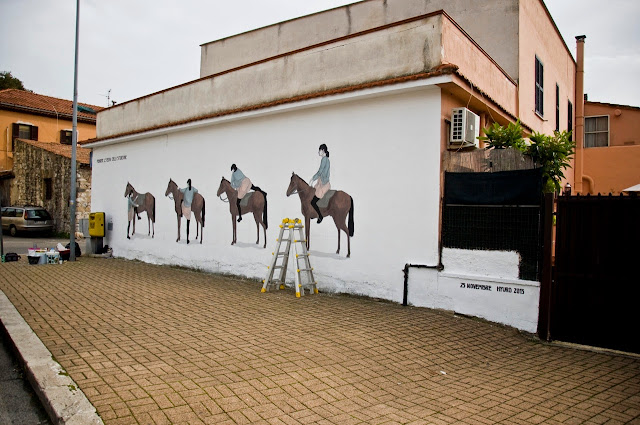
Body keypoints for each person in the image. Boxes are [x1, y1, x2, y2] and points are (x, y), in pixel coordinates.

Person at [310, 144, 330, 223]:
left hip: (323, 183)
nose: (319, 152)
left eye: (320, 150)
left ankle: (320, 216)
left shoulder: (324, 159)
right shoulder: (326, 159)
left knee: (313, 201)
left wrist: (313, 178)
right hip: (321, 182)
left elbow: (320, 171)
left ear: (323, 150)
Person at [179, 179, 198, 244]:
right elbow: (197, 191)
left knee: (181, 203)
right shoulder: (192, 189)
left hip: (186, 204)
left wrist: (179, 189)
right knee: (188, 219)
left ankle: (181, 213)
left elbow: (181, 191)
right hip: (190, 205)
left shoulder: (186, 189)